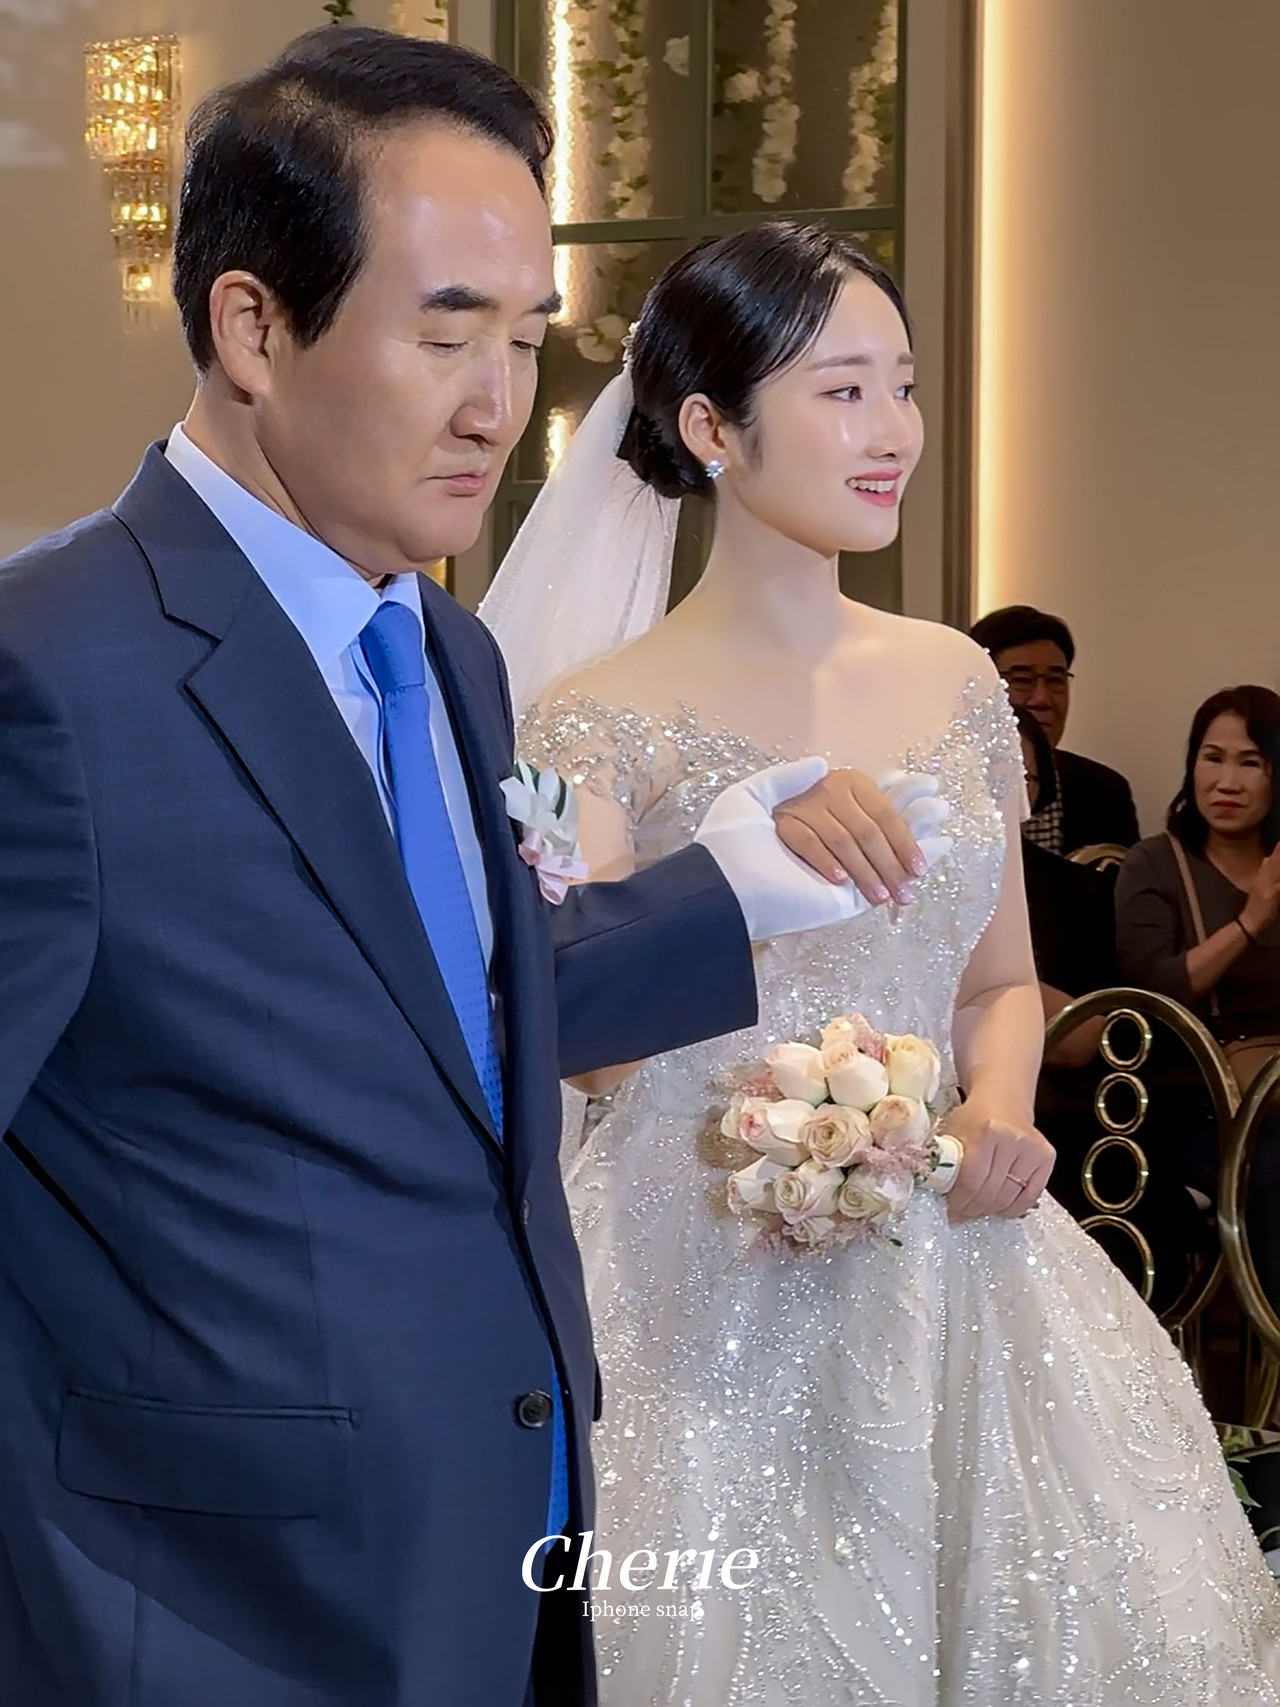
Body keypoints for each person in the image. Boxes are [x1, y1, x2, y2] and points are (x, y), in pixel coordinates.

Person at [0, 31, 947, 1707]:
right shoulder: (50, 664)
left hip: (505, 1539)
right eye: (446, 334)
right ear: (253, 326)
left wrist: (729, 887)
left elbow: (462, 1003)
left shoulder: (450, 653)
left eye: (522, 338)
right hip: (200, 1606)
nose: (500, 404)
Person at [485, 223, 1280, 1703]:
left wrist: (1000, 1104)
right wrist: (737, 874)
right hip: (693, 1272)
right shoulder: (594, 718)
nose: (893, 430)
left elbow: (996, 982)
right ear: (711, 426)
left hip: (955, 1254)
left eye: (902, 386)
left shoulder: (956, 677)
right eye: (842, 390)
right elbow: (583, 1045)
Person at [1116, 686, 1280, 1294]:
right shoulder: (1156, 863)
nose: (1226, 782)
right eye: (1212, 758)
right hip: (1199, 1107)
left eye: (1250, 762)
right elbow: (1150, 992)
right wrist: (1249, 923)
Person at [970, 602, 1140, 852]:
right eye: (1022, 680)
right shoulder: (943, 789)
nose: (1042, 699)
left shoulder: (1105, 790)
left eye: (1055, 680)